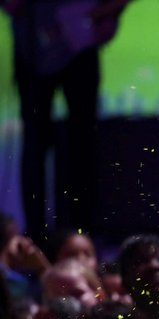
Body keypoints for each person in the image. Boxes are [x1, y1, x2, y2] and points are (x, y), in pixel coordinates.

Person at [2, 0, 129, 242]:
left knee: (83, 143)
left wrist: (94, 16)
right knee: (35, 144)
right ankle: (36, 235)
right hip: (33, 47)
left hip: (78, 45)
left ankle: (82, 234)